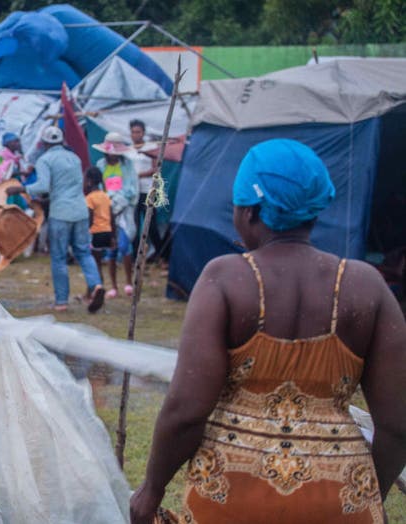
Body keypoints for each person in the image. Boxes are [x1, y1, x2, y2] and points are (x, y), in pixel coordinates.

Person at [130, 139, 406, 524]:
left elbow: (186, 412)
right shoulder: (367, 286)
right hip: (339, 500)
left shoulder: (224, 279)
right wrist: (365, 488)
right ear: (314, 210)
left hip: (229, 497)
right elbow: (397, 423)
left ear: (251, 212)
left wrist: (152, 489)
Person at [8, 125, 104, 312]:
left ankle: (61, 302)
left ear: (44, 143)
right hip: (80, 210)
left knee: (59, 257)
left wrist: (22, 188)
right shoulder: (74, 158)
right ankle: (96, 285)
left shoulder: (46, 159)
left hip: (60, 212)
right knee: (84, 252)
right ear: (61, 141)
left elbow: (43, 186)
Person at [94, 132, 137, 298]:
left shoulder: (128, 166)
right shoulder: (100, 164)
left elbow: (132, 189)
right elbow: (99, 186)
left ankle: (128, 281)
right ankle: (113, 286)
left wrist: (119, 202)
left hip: (124, 211)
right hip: (106, 210)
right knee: (110, 247)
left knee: (125, 245)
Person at [130, 119, 164, 261]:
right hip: (133, 191)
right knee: (134, 225)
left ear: (143, 133)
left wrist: (139, 175)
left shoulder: (150, 149)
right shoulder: (129, 150)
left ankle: (162, 255)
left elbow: (156, 169)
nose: (135, 135)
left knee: (151, 225)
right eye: (133, 132)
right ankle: (134, 257)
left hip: (147, 191)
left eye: (138, 132)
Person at [85, 167, 113, 306]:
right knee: (99, 263)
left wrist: (85, 232)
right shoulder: (105, 196)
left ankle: (95, 290)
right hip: (107, 232)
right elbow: (112, 215)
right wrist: (114, 236)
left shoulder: (89, 198)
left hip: (96, 233)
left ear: (89, 181)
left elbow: (89, 219)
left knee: (94, 265)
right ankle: (93, 290)